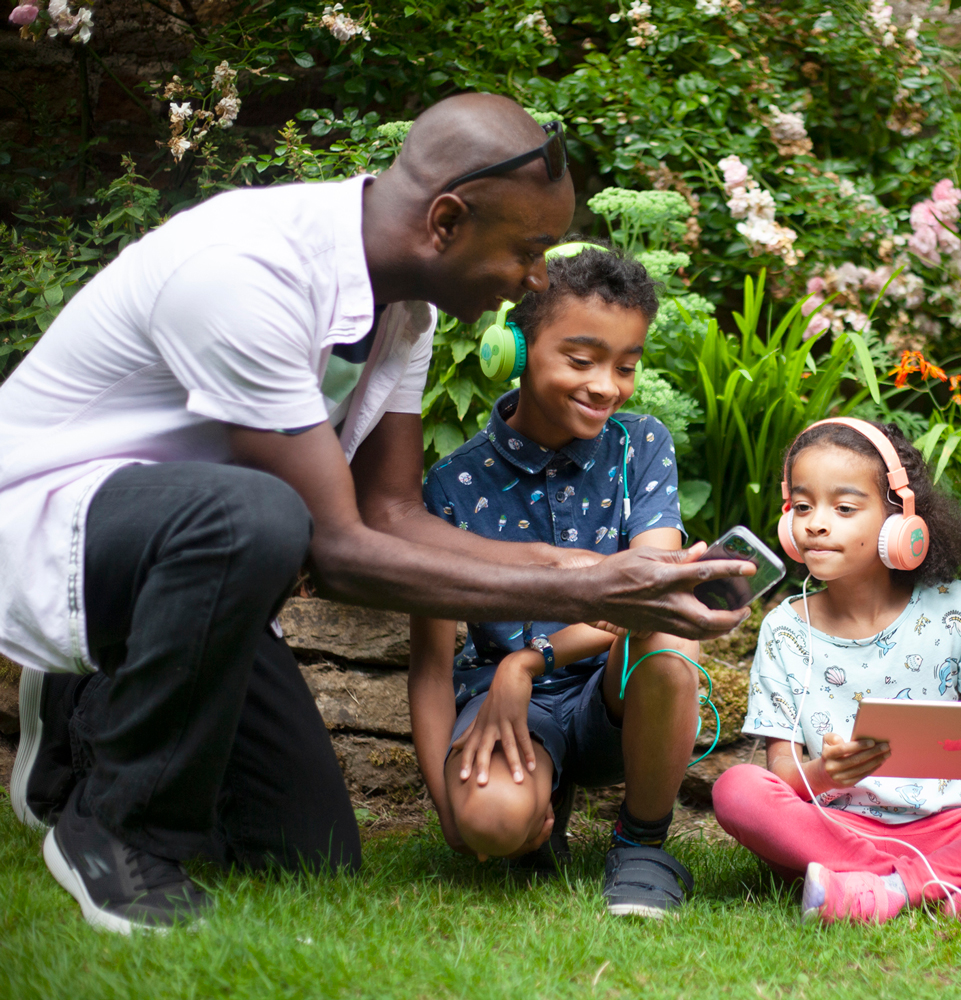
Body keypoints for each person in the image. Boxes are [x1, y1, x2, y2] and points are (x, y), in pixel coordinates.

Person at [0, 93, 749, 936]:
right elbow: (339, 550)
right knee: (264, 514)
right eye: (528, 250)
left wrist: (595, 571)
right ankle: (114, 825)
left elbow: (391, 513)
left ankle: (94, 701)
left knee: (311, 854)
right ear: (446, 221)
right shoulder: (244, 274)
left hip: (200, 574)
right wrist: (589, 591)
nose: (538, 279)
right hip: (56, 525)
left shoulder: (405, 313)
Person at [410, 240, 702, 917]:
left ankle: (642, 846)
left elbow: (650, 594)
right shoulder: (453, 484)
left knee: (666, 628)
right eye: (581, 360)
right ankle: (532, 804)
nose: (606, 386)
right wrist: (449, 812)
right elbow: (429, 666)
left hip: (619, 698)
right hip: (506, 710)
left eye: (625, 366)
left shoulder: (642, 445)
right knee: (491, 823)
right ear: (514, 348)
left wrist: (529, 660)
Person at [712, 418, 961, 928]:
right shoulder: (784, 630)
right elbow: (782, 771)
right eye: (802, 507)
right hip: (837, 828)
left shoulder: (955, 608)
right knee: (737, 789)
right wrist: (825, 773)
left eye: (844, 508)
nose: (816, 524)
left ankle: (880, 888)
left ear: (901, 522)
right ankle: (948, 882)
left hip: (954, 826)